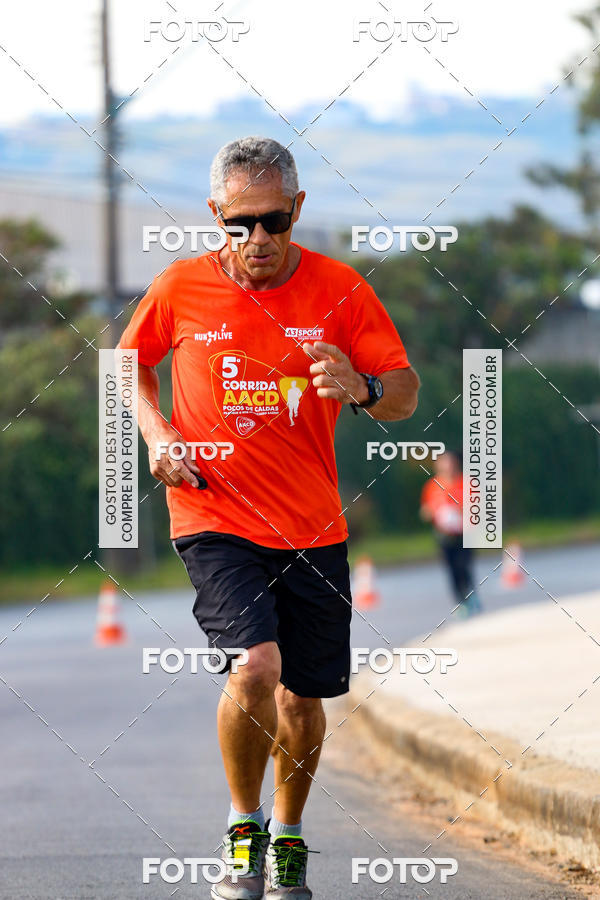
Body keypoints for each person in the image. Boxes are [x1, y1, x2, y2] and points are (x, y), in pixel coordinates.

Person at [118, 136, 420, 899]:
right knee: (255, 667)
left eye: (275, 221)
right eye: (241, 223)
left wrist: (358, 387)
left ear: (298, 211)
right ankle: (242, 830)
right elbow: (126, 364)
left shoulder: (340, 289)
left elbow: (405, 393)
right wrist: (158, 435)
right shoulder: (180, 287)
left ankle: (288, 837)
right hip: (213, 513)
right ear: (216, 215)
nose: (258, 240)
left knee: (301, 698)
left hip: (313, 525)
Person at [420, 451, 482, 617]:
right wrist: (432, 513)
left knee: (465, 565)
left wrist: (461, 511)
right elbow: (425, 509)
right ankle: (460, 602)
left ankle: (471, 594)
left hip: (464, 532)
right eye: (442, 463)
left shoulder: (466, 483)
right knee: (452, 569)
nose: (446, 466)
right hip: (444, 534)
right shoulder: (432, 486)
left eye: (449, 462)